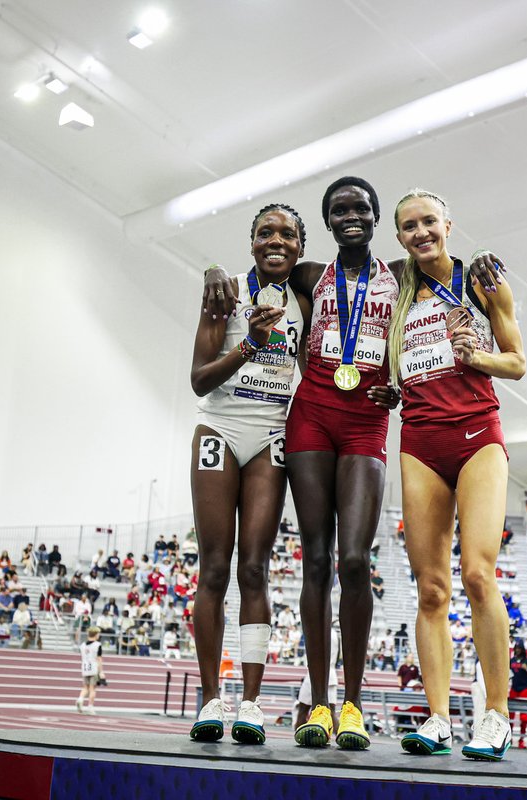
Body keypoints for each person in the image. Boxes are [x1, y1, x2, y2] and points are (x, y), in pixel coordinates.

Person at [203, 178, 504, 751]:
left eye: (361, 208)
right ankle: (318, 701)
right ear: (328, 219)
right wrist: (214, 268)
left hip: (367, 421)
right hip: (311, 417)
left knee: (354, 559)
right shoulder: (310, 274)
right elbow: (264, 259)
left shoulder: (398, 273)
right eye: (339, 210)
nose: (351, 217)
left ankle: (354, 705)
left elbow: (441, 258)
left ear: (375, 218)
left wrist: (480, 257)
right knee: (315, 558)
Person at [387, 189, 524, 762]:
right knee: (431, 589)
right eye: (408, 226)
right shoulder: (394, 289)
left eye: (428, 222)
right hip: (419, 440)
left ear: (448, 224)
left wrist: (475, 358)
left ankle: (496, 715)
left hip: (476, 436)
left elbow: (516, 361)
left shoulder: (482, 279)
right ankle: (439, 717)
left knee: (476, 575)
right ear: (398, 238)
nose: (420, 232)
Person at [188, 204, 307, 746]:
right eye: (265, 233)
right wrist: (252, 346)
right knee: (214, 567)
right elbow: (199, 379)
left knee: (255, 569)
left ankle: (252, 705)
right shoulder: (226, 292)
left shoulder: (306, 301)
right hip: (219, 429)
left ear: (301, 247)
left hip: (271, 437)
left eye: (287, 235)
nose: (275, 241)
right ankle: (211, 698)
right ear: (251, 241)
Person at [76, 626, 104, 715]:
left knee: (85, 687)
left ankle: (80, 699)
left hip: (85, 667)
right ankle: (90, 706)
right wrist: (101, 671)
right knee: (92, 689)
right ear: (96, 634)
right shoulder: (98, 645)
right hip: (93, 667)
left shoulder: (83, 645)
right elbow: (99, 659)